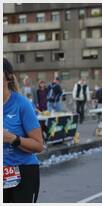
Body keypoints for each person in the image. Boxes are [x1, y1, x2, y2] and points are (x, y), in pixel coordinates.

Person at [3, 58, 44, 203]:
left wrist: (13, 139)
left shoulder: (22, 104)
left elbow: (39, 145)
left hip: (23, 171)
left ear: (7, 77)